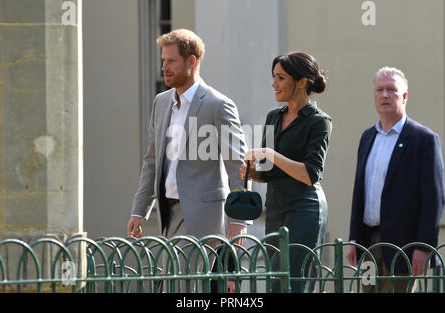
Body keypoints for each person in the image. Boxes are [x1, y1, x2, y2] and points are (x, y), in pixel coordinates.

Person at [127, 29, 249, 291]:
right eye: (163, 61)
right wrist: (139, 210)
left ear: (191, 61)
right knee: (175, 286)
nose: (164, 67)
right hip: (167, 216)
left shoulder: (218, 104)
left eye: (171, 61)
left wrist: (240, 219)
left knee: (182, 288)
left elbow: (237, 164)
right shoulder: (161, 103)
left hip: (203, 217)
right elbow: (151, 163)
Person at [346, 66, 445, 293]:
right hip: (368, 244)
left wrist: (423, 246)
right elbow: (360, 191)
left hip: (404, 246)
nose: (384, 95)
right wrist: (354, 239)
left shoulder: (424, 140)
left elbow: (434, 199)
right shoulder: (368, 137)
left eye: (391, 90)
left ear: (404, 96)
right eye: (379, 89)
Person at [241, 51, 332, 293]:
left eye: (280, 78)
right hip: (275, 207)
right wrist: (252, 174)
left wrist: (270, 155)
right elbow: (270, 172)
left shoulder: (319, 121)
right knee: (276, 281)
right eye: (274, 77)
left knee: (296, 283)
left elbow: (311, 173)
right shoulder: (274, 117)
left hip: (305, 207)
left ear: (302, 82)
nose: (274, 84)